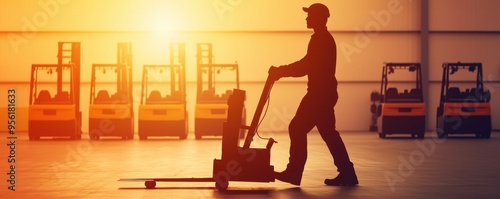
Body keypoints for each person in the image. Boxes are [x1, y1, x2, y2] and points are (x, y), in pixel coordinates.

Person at [268, 3, 358, 186]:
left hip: (319, 95)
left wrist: (280, 71)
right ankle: (348, 173)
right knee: (328, 133)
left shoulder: (321, 40)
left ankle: (294, 172)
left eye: (309, 15)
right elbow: (308, 64)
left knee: (297, 128)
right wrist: (281, 71)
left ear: (318, 18)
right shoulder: (322, 38)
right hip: (324, 94)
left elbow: (306, 65)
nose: (306, 18)